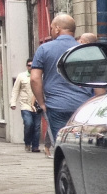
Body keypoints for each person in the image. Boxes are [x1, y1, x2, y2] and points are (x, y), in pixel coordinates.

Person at [30, 14, 93, 146]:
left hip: (56, 106)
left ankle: (65, 165)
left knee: (62, 146)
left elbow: (35, 78)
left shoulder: (44, 49)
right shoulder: (87, 51)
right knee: (82, 145)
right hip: (82, 106)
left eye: (52, 28)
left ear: (58, 29)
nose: (51, 31)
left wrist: (41, 103)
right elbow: (98, 82)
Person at [11, 58, 42, 152]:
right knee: (29, 123)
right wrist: (13, 102)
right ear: (26, 66)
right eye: (29, 65)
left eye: (33, 65)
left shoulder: (40, 76)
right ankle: (27, 142)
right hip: (25, 104)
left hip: (37, 105)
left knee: (37, 126)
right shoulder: (21, 76)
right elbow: (15, 90)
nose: (31, 67)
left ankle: (35, 146)